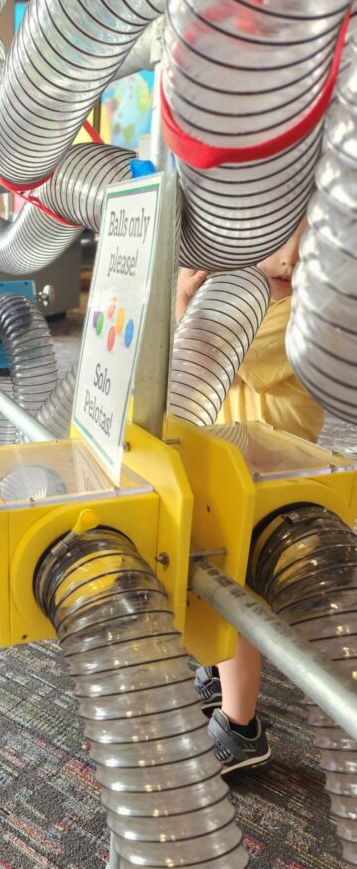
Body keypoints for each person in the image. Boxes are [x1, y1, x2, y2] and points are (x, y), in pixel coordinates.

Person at [176, 219, 324, 776]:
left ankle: (241, 729)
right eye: (275, 241)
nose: (288, 259)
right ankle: (221, 668)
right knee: (213, 582)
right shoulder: (246, 298)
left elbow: (203, 345)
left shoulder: (296, 314)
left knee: (239, 596)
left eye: (303, 243)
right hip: (231, 463)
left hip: (272, 476)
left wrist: (186, 296)